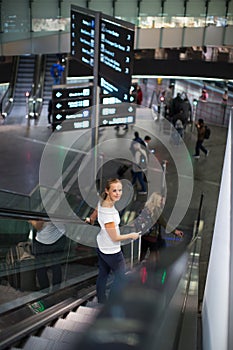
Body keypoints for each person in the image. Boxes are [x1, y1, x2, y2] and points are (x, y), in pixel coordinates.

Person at [94, 178, 140, 303]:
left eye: (119, 190)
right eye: (114, 190)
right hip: (111, 249)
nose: (118, 193)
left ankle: (101, 299)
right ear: (107, 191)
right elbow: (114, 237)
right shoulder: (108, 213)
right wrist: (131, 235)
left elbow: (97, 210)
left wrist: (91, 219)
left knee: (103, 273)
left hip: (102, 245)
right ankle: (113, 301)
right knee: (121, 276)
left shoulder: (103, 202)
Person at [134, 192, 183, 262]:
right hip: (152, 237)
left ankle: (139, 268)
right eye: (160, 200)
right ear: (156, 200)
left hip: (143, 235)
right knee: (154, 255)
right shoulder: (156, 210)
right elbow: (164, 223)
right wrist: (175, 231)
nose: (161, 202)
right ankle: (152, 270)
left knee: (142, 254)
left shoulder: (144, 207)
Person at [29, 220, 67, 291]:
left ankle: (45, 291)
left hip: (45, 239)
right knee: (56, 265)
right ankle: (55, 291)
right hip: (59, 236)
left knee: (40, 266)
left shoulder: (46, 209)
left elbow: (38, 226)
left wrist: (30, 220)